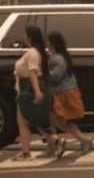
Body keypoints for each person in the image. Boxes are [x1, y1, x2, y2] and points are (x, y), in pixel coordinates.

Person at [13, 26, 63, 161]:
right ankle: (30, 150)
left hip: (28, 89)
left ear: (30, 37)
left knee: (24, 121)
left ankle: (27, 152)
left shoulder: (32, 53)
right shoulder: (36, 52)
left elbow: (33, 73)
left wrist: (37, 92)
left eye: (25, 35)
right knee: (30, 120)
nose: (24, 37)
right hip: (26, 88)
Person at [47, 32, 93, 153]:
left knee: (59, 121)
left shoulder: (56, 58)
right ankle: (82, 139)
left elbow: (56, 76)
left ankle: (83, 139)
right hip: (66, 91)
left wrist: (43, 74)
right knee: (59, 121)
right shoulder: (63, 56)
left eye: (48, 42)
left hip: (62, 93)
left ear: (52, 43)